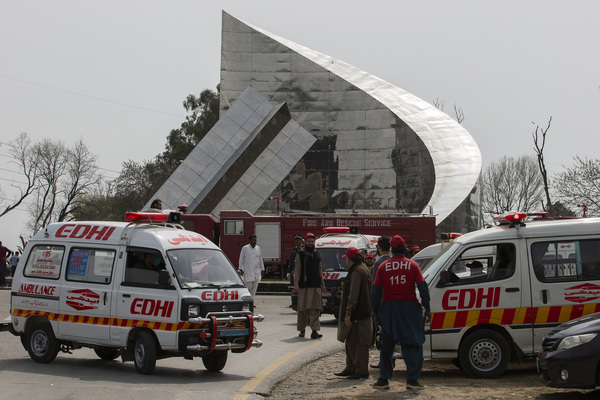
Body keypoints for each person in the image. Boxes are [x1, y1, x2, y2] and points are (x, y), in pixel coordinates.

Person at [371, 235, 431, 391]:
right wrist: (428, 307)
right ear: (404, 249)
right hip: (409, 308)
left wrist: (375, 312)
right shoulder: (413, 265)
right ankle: (412, 380)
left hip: (389, 308)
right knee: (412, 344)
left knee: (387, 344)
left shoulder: (383, 266)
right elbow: (423, 288)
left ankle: (384, 379)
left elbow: (375, 292)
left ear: (391, 249)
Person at [334, 247, 373, 380]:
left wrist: (348, 313)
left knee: (358, 344)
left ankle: (361, 370)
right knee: (350, 342)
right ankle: (351, 367)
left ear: (350, 259)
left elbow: (353, 295)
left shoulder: (356, 272)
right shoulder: (363, 269)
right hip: (362, 313)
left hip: (357, 316)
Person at [294, 232, 327, 339]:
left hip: (316, 286)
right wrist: (296, 285)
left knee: (315, 309)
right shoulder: (300, 254)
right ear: (305, 242)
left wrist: (322, 285)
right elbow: (298, 271)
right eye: (308, 241)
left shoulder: (317, 254)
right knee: (302, 309)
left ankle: (314, 331)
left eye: (312, 241)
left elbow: (320, 270)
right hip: (303, 286)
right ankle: (302, 330)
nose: (310, 243)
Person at [287, 234, 304, 307]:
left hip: (301, 272)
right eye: (295, 240)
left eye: (298, 240)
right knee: (294, 288)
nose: (296, 241)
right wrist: (288, 271)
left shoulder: (304, 249)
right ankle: (294, 302)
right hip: (294, 272)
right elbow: (291, 261)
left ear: (302, 241)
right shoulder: (294, 249)